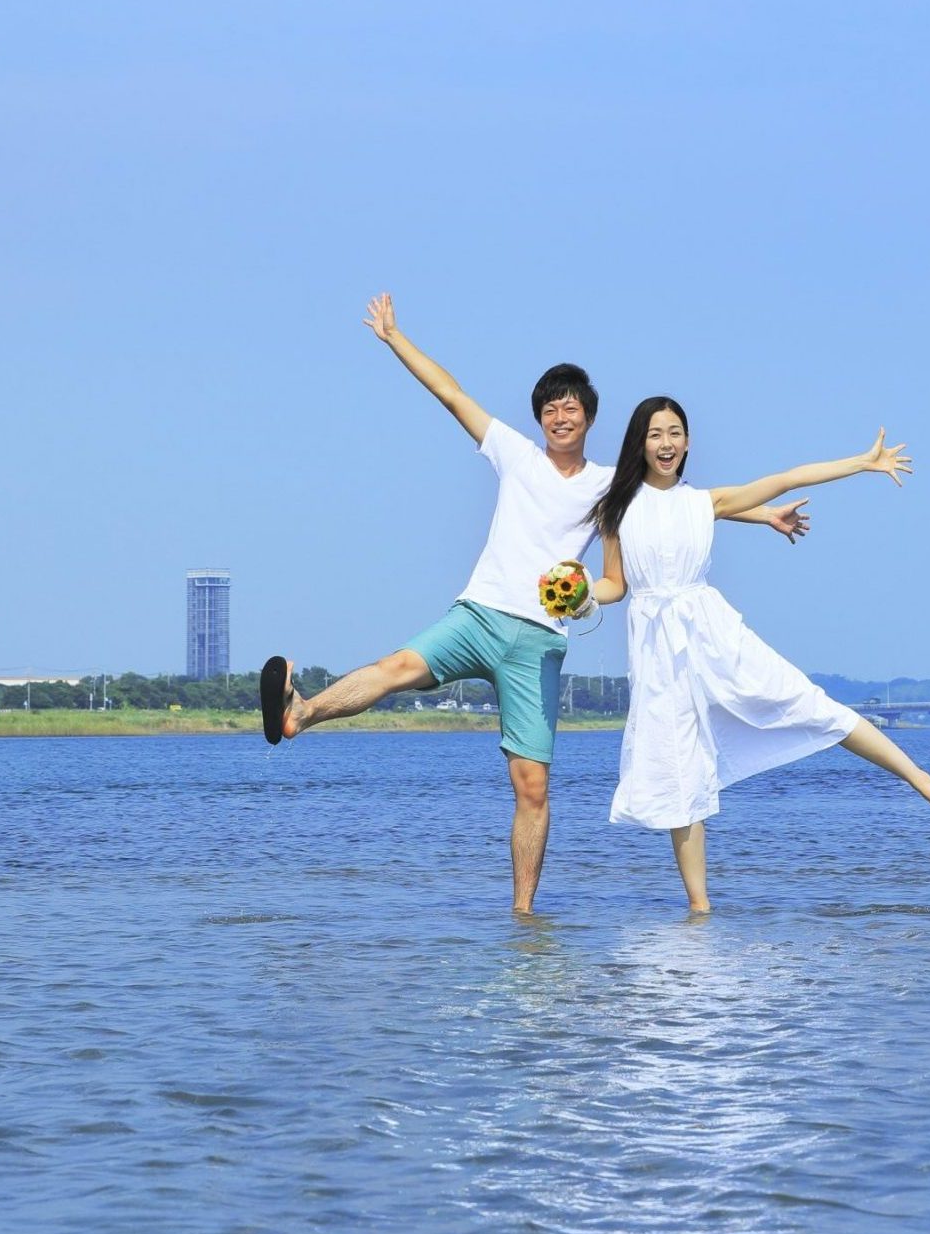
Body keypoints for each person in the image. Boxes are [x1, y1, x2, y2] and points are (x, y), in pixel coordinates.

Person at [259, 299, 812, 914]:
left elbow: (660, 529)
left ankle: (524, 920)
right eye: (549, 408)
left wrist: (763, 515)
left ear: (590, 418)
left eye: (570, 407)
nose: (559, 416)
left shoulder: (610, 486)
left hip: (538, 643)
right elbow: (451, 393)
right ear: (539, 419)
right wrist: (394, 338)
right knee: (394, 670)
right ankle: (300, 713)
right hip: (477, 616)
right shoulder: (514, 454)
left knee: (533, 786)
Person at [581, 395, 930, 914]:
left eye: (675, 432)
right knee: (680, 776)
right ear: (639, 441)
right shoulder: (619, 506)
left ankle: (925, 783)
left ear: (688, 441)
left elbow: (787, 478)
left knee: (809, 704)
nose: (666, 443)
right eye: (655, 434)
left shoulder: (706, 501)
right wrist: (583, 593)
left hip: (713, 634)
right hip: (657, 652)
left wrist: (862, 462)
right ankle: (700, 911)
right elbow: (616, 584)